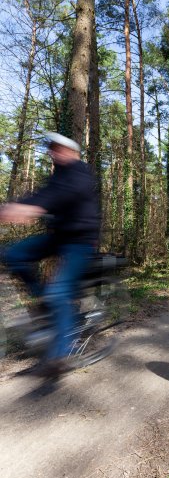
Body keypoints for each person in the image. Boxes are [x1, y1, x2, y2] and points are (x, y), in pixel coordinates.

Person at [0, 132, 100, 376]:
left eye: (59, 148)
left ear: (73, 152)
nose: (54, 152)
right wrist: (15, 206)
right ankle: (45, 302)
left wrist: (33, 207)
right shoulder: (58, 176)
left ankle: (61, 354)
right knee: (13, 254)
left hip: (80, 242)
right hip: (57, 238)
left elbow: (66, 193)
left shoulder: (80, 173)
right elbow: (43, 194)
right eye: (52, 148)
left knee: (60, 290)